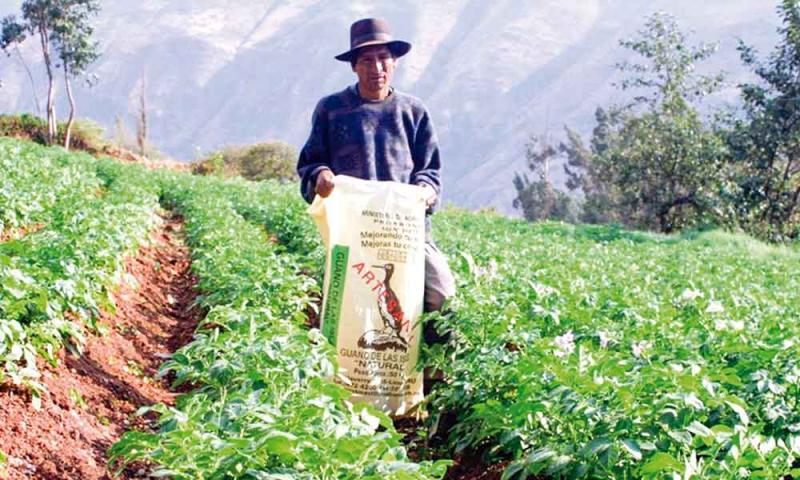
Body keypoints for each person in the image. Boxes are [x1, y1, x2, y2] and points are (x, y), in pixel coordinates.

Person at [297, 17, 455, 315]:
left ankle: (429, 360)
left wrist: (426, 191)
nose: (377, 68)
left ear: (395, 62)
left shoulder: (413, 111)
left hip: (406, 229)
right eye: (367, 60)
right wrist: (321, 175)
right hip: (353, 228)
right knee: (346, 308)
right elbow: (310, 163)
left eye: (383, 59)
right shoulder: (332, 109)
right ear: (354, 66)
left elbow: (430, 169)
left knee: (441, 295)